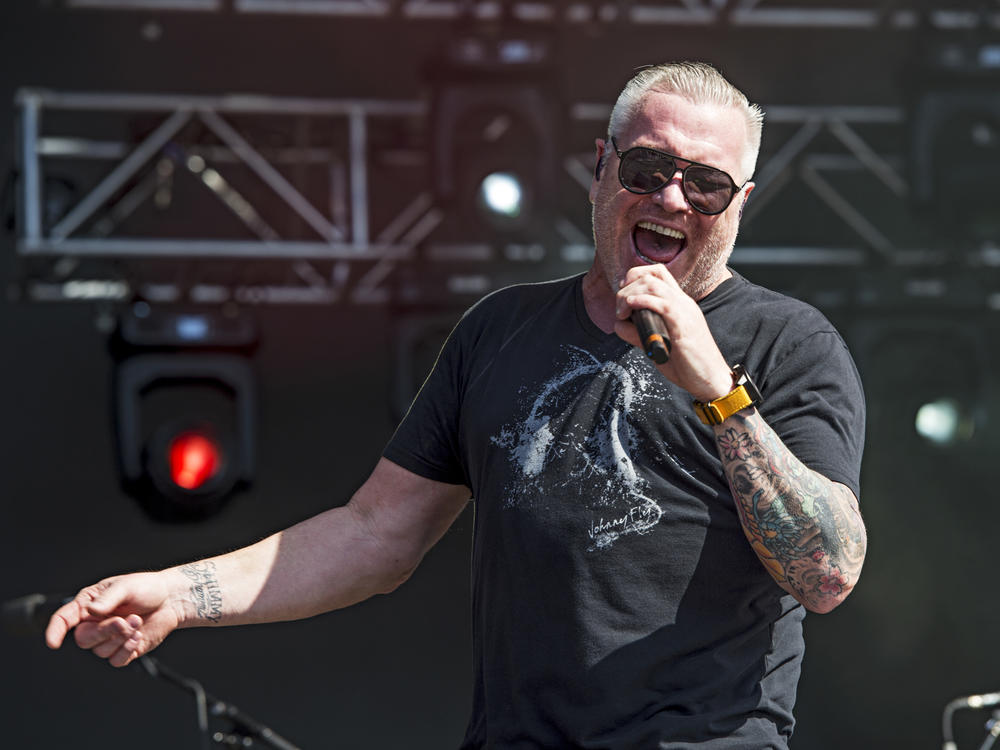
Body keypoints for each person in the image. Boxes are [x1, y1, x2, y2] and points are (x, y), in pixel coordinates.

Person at [46, 61, 867, 748]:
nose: (672, 199)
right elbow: (375, 534)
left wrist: (718, 393)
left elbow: (827, 574)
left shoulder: (788, 345)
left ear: (741, 203)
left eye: (707, 185)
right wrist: (181, 594)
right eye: (648, 170)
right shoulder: (500, 330)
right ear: (602, 166)